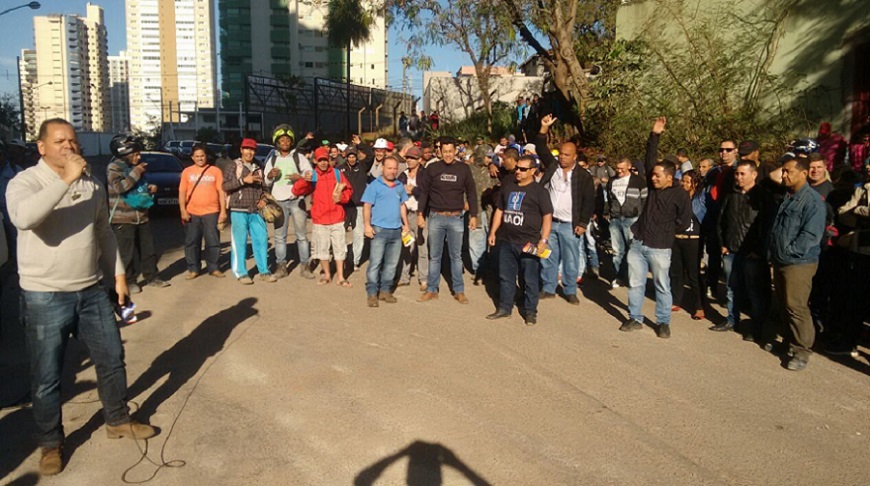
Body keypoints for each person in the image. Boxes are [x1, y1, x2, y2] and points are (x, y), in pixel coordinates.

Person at [7, 119, 156, 476]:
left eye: (72, 140)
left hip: (90, 290)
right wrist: (65, 180)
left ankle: (117, 419)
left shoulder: (91, 184)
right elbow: (24, 218)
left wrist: (119, 274)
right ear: (41, 147)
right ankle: (50, 443)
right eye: (59, 141)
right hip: (44, 296)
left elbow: (103, 232)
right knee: (46, 376)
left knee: (112, 358)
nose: (68, 146)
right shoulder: (25, 182)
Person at [620, 117, 691, 338]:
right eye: (652, 175)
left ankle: (663, 322)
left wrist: (667, 231)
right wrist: (655, 135)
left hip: (660, 246)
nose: (653, 178)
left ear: (670, 178)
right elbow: (649, 159)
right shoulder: (652, 187)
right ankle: (635, 318)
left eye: (658, 176)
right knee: (635, 283)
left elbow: (685, 220)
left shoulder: (680, 194)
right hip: (639, 242)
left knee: (662, 285)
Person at [768, 155, 826, 371]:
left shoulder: (812, 201)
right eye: (783, 171)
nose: (784, 175)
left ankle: (802, 351)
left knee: (796, 306)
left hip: (799, 263)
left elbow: (811, 235)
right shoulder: (788, 196)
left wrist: (790, 251)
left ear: (803, 173)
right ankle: (788, 342)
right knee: (784, 304)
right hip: (781, 259)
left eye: (788, 171)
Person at [535, 114, 596, 305]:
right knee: (548, 256)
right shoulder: (553, 167)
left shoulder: (583, 176)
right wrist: (544, 128)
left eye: (566, 155)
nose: (562, 157)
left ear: (575, 157)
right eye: (560, 153)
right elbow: (539, 147)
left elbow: (588, 201)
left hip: (571, 224)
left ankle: (570, 290)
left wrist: (583, 222)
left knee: (570, 259)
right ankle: (548, 287)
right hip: (551, 222)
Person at [486, 155, 553, 325]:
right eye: (517, 168)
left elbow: (547, 216)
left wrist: (543, 240)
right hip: (507, 240)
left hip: (529, 242)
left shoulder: (539, 192)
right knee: (506, 276)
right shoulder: (508, 188)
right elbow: (500, 210)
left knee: (529, 279)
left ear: (532, 171)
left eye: (523, 169)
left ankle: (530, 312)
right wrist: (493, 232)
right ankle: (504, 308)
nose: (518, 172)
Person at [713, 160, 775, 342]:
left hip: (754, 254)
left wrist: (761, 250)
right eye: (737, 174)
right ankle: (732, 319)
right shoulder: (731, 195)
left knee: (755, 292)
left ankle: (757, 328)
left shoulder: (764, 197)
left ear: (754, 175)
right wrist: (723, 244)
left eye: (742, 174)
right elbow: (721, 221)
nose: (738, 177)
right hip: (731, 250)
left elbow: (769, 226)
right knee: (732, 288)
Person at [417, 137, 478, 304]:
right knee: (434, 256)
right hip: (436, 216)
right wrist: (420, 213)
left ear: (456, 151)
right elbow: (424, 193)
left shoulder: (463, 169)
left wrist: (474, 215)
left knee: (456, 257)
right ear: (440, 152)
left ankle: (459, 290)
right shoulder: (432, 168)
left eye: (451, 151)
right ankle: (432, 290)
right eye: (445, 152)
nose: (448, 155)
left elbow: (471, 193)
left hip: (456, 218)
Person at [106, 134, 170, 294]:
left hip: (142, 216)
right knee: (126, 254)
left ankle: (152, 276)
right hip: (123, 218)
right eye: (135, 154)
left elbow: (138, 188)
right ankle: (130, 281)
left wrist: (150, 188)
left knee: (148, 250)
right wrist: (136, 172)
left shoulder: (138, 168)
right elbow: (120, 187)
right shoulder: (114, 168)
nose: (139, 157)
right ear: (125, 154)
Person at [264, 124, 315, 279]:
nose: (285, 142)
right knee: (280, 237)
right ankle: (281, 267)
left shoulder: (298, 157)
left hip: (297, 200)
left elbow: (310, 174)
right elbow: (265, 182)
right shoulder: (272, 159)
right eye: (282, 140)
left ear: (291, 141)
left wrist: (299, 177)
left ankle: (305, 267)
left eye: (287, 139)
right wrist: (270, 176)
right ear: (277, 142)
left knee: (301, 235)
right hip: (278, 203)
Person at [223, 138, 277, 284]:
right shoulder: (233, 166)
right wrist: (243, 181)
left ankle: (264, 271)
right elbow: (225, 186)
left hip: (257, 211)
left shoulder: (258, 167)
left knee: (261, 240)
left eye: (252, 149)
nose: (249, 152)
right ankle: (241, 272)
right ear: (241, 150)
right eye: (246, 149)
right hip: (238, 209)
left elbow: (265, 188)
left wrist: (264, 200)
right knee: (239, 243)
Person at [300, 146, 354, 287]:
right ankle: (327, 275)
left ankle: (341, 277)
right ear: (316, 161)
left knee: (339, 248)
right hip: (320, 219)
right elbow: (297, 190)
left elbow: (348, 190)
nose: (323, 163)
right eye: (320, 160)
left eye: (325, 160)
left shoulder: (337, 174)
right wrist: (304, 180)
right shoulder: (313, 176)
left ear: (330, 160)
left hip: (337, 217)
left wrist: (341, 198)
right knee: (322, 249)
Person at [362, 156, 410, 306]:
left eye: (395, 168)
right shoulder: (374, 186)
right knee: (375, 263)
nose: (392, 171)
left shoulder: (399, 186)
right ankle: (372, 293)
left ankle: (385, 291)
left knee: (391, 264)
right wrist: (367, 225)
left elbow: (402, 205)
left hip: (396, 231)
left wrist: (406, 224)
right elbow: (367, 206)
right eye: (389, 168)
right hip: (379, 230)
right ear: (382, 168)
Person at [179, 144, 227, 278]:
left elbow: (221, 191)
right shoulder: (187, 172)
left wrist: (223, 211)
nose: (200, 159)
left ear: (206, 156)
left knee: (213, 241)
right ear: (192, 158)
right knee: (192, 242)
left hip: (211, 211)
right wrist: (183, 210)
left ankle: (214, 267)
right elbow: (182, 192)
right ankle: (193, 268)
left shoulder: (215, 171)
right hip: (192, 212)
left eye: (202, 156)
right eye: (197, 156)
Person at [605, 157, 647, 287]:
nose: (619, 171)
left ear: (629, 167)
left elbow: (645, 200)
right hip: (616, 219)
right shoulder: (612, 181)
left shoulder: (639, 181)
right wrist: (609, 213)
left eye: (622, 168)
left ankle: (635, 278)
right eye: (617, 168)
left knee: (634, 250)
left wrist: (642, 217)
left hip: (632, 219)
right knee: (617, 251)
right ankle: (619, 277)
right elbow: (609, 198)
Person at [670, 169, 705, 321]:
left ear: (694, 183)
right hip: (677, 239)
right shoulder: (677, 197)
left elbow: (703, 218)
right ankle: (676, 300)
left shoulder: (700, 199)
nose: (683, 183)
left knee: (693, 275)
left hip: (694, 240)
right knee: (676, 272)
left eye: (687, 181)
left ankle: (699, 306)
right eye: (682, 181)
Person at [397, 147, 428, 290]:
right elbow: (396, 191)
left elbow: (428, 193)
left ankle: (424, 279)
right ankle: (404, 277)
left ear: (419, 160)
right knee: (407, 247)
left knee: (422, 247)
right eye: (408, 157)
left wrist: (414, 190)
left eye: (413, 158)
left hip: (421, 214)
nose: (409, 160)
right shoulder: (402, 175)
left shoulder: (425, 174)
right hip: (406, 215)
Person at [339, 147, 369, 270]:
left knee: (358, 234)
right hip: (344, 206)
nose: (351, 158)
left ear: (357, 157)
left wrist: (360, 144)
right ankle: (343, 256)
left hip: (359, 205)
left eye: (354, 156)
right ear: (346, 156)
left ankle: (355, 260)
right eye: (349, 156)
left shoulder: (362, 167)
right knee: (340, 233)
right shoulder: (339, 169)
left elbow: (371, 155)